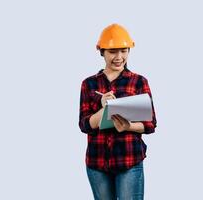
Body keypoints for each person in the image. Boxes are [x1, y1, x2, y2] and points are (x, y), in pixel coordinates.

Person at [78, 23, 157, 200]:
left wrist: (129, 126)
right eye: (113, 52)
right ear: (102, 51)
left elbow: (151, 124)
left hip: (129, 160)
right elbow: (84, 124)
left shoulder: (138, 82)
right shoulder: (89, 84)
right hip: (97, 163)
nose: (119, 57)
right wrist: (103, 109)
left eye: (124, 51)